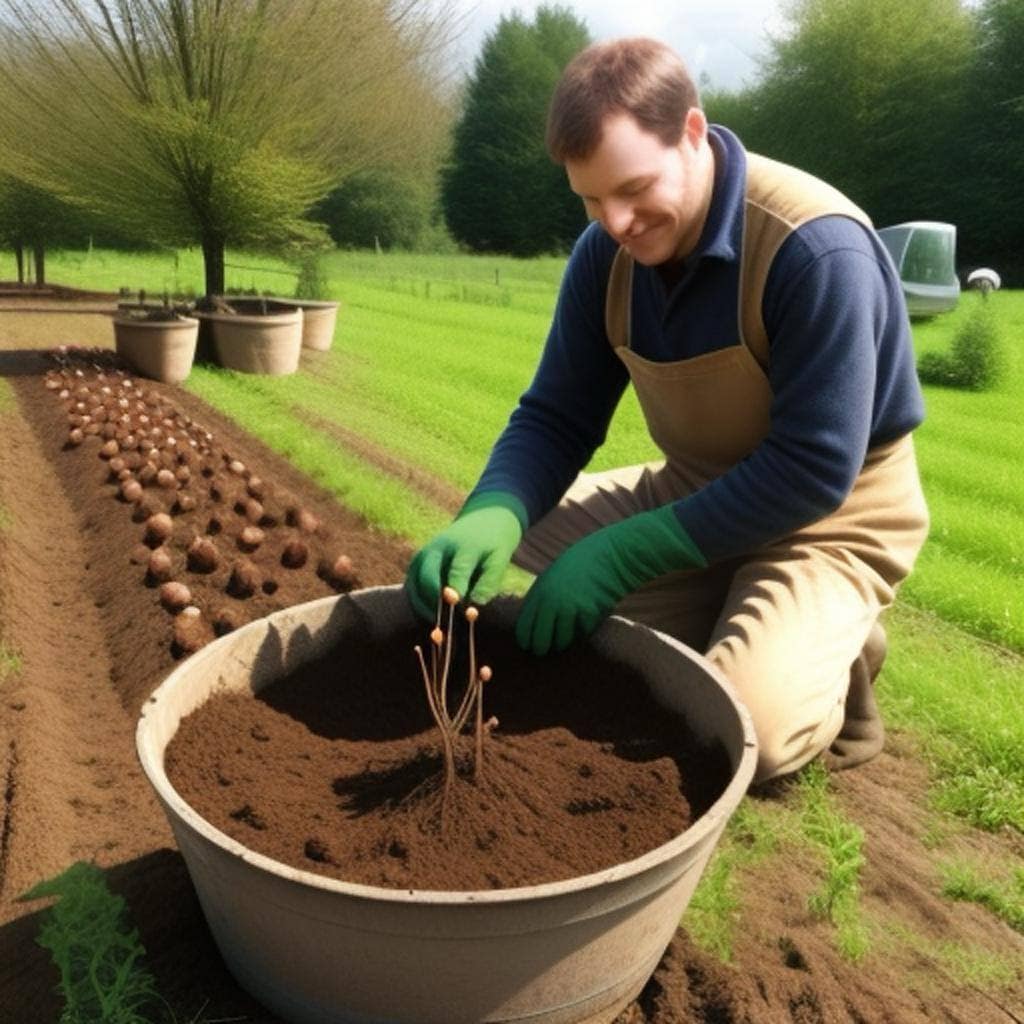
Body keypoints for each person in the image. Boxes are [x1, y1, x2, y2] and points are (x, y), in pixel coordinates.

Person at [405, 37, 929, 783]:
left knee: (748, 730)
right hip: (699, 487)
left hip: (833, 516)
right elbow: (558, 415)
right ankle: (733, 606)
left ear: (691, 132)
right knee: (509, 549)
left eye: (632, 189)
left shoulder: (814, 250)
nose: (614, 222)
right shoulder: (604, 257)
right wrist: (492, 509)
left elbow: (815, 468)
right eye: (590, 198)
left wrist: (623, 553)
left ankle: (843, 656)